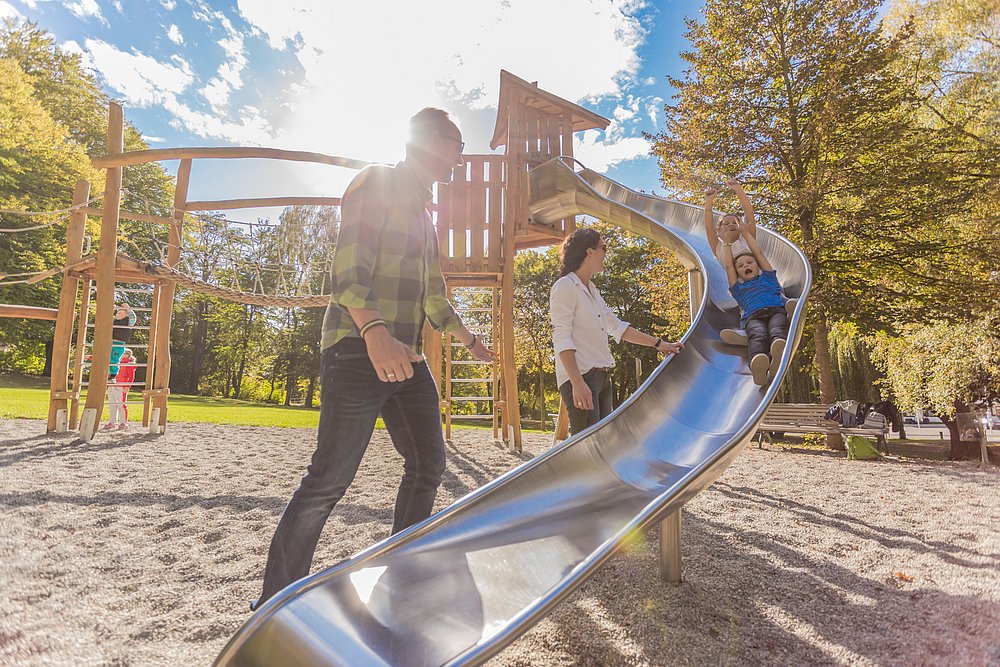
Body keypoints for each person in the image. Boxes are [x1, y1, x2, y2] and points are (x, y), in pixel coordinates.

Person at [253, 108, 494, 610]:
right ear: (427, 141)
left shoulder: (427, 218)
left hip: (406, 358)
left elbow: (434, 298)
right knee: (330, 479)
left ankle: (400, 572)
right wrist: (374, 331)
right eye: (456, 142)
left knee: (428, 464)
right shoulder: (375, 184)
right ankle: (276, 599)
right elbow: (349, 269)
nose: (461, 153)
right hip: (358, 348)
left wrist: (469, 340)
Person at [550, 228, 684, 436]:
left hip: (603, 377)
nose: (606, 253)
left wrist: (660, 344)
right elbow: (561, 337)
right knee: (588, 448)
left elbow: (617, 327)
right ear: (590, 252)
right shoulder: (565, 287)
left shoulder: (592, 291)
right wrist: (577, 382)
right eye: (604, 247)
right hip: (583, 378)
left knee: (603, 445)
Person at [704, 181, 795, 346]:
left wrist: (738, 190)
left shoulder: (746, 239)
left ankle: (784, 301)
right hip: (741, 285)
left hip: (761, 278)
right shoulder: (719, 246)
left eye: (735, 222)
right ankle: (745, 331)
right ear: (720, 230)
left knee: (772, 289)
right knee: (747, 307)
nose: (731, 224)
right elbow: (709, 229)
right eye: (726, 223)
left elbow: (749, 213)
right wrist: (709, 202)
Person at [721, 219, 789, 385]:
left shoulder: (768, 277)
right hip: (753, 317)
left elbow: (758, 253)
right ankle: (758, 364)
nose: (746, 266)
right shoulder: (737, 288)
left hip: (776, 310)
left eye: (749, 263)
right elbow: (729, 266)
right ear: (738, 272)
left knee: (777, 329)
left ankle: (778, 350)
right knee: (757, 335)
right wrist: (726, 244)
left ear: (758, 266)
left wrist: (745, 233)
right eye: (741, 266)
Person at [103, 348, 135, 431]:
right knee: (112, 404)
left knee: (122, 405)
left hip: (121, 386)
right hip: (112, 385)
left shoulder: (129, 364)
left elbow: (131, 377)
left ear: (128, 355)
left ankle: (123, 423)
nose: (122, 355)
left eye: (125, 354)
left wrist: (127, 386)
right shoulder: (115, 362)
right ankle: (112, 422)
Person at [109, 303, 136, 379]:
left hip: (119, 344)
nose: (117, 314)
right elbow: (108, 318)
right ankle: (108, 372)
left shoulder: (128, 322)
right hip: (111, 342)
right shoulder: (114, 321)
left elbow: (133, 317)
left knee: (115, 358)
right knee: (108, 357)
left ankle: (113, 374)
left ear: (126, 315)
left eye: (120, 313)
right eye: (117, 313)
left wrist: (128, 308)